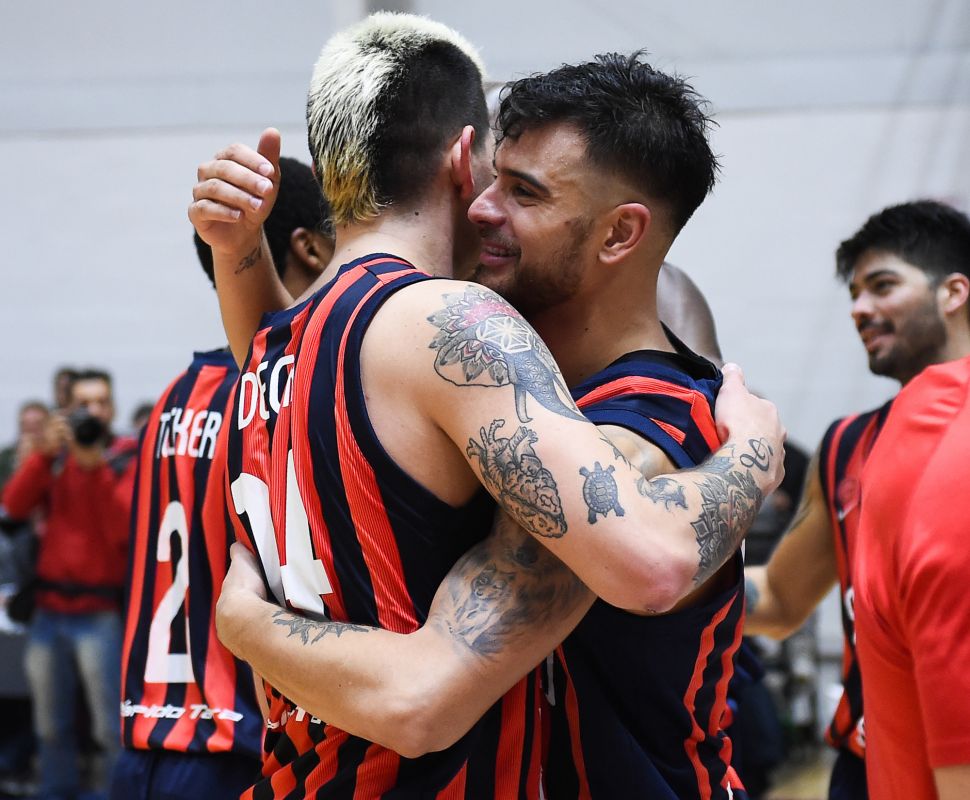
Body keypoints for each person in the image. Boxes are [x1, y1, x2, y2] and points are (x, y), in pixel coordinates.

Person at [191, 14, 784, 797]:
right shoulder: (476, 381)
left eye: (524, 192)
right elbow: (313, 362)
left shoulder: (638, 429)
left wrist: (247, 626)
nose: (479, 205)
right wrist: (240, 256)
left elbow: (426, 692)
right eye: (492, 175)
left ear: (619, 236)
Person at [110, 157, 334, 800]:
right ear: (312, 248)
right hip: (235, 743)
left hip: (142, 738)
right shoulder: (269, 399)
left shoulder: (171, 397)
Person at [744, 199, 970, 800]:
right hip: (867, 764)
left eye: (882, 286)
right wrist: (644, 578)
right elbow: (782, 597)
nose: (859, 309)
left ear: (954, 292)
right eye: (854, 293)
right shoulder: (847, 445)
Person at [2, 369, 136, 800]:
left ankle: (114, 794)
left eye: (100, 402)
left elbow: (123, 532)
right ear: (67, 409)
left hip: (100, 614)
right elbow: (14, 507)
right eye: (82, 404)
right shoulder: (54, 460)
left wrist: (95, 468)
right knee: (49, 723)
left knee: (108, 725)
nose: (92, 411)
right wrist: (42, 457)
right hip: (48, 610)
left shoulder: (125, 459)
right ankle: (55, 790)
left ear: (111, 408)